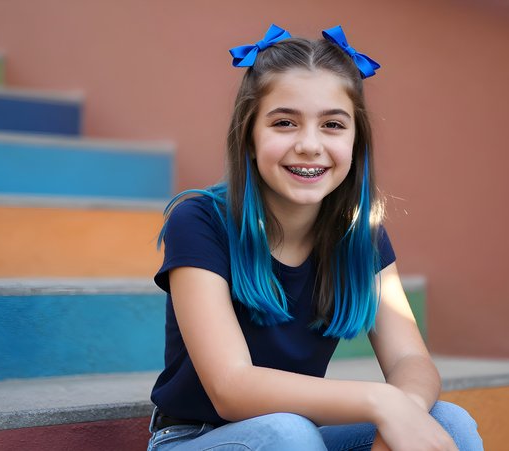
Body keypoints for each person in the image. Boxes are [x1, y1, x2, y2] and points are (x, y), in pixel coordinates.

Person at [147, 24, 483, 451]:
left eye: (332, 125)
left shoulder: (359, 234)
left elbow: (409, 359)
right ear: (249, 136)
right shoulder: (200, 220)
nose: (309, 144)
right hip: (194, 436)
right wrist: (381, 401)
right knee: (289, 433)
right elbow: (230, 387)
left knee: (447, 421)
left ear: (356, 140)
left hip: (301, 434)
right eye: (284, 122)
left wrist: (406, 410)